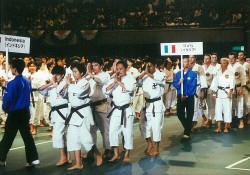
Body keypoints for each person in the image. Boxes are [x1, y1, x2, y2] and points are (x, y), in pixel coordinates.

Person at [0, 58, 39, 167]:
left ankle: (1, 159)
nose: (11, 69)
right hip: (25, 112)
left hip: (14, 113)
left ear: (15, 69)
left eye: (11, 67)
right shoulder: (27, 81)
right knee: (27, 136)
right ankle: (33, 159)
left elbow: (7, 99)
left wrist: (5, 109)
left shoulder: (12, 83)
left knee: (8, 137)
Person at [63, 62, 102, 170]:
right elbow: (65, 95)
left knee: (86, 139)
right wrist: (67, 85)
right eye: (72, 72)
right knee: (72, 138)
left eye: (75, 72)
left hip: (83, 114)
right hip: (73, 114)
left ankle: (98, 154)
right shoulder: (73, 84)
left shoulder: (85, 83)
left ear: (82, 73)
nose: (73, 74)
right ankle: (78, 163)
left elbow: (80, 93)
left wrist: (70, 84)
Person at [38, 66, 71, 166]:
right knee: (63, 135)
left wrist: (55, 85)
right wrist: (51, 83)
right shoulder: (52, 86)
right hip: (56, 112)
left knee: (58, 135)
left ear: (62, 75)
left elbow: (63, 94)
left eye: (57, 75)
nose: (55, 77)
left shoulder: (66, 84)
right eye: (54, 75)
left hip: (64, 111)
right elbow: (40, 90)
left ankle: (64, 157)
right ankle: (67, 157)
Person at [104, 60, 136, 162]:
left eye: (121, 69)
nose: (119, 71)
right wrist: (114, 82)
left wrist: (118, 82)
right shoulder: (113, 79)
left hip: (127, 110)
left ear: (126, 68)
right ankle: (116, 154)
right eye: (117, 69)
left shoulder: (131, 79)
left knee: (127, 133)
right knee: (112, 132)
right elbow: (105, 91)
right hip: (116, 110)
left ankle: (127, 154)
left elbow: (130, 89)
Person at [137, 58, 165, 156]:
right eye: (146, 66)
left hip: (156, 104)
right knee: (143, 126)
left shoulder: (160, 74)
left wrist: (148, 73)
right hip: (146, 104)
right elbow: (137, 83)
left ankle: (156, 148)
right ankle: (149, 143)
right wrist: (144, 72)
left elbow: (158, 79)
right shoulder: (144, 76)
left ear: (155, 66)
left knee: (156, 127)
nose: (148, 68)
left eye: (150, 66)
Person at [173, 58, 197, 139]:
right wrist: (179, 82)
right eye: (183, 62)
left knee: (190, 114)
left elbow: (193, 86)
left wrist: (186, 95)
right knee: (179, 114)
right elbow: (175, 85)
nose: (185, 63)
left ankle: (187, 132)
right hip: (180, 96)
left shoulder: (193, 74)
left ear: (189, 63)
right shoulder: (179, 74)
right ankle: (188, 127)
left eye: (186, 62)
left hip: (189, 96)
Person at [210, 58, 234, 133]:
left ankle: (226, 127)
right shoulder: (218, 72)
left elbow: (232, 84)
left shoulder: (230, 73)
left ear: (227, 64)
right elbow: (214, 83)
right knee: (218, 110)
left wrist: (230, 92)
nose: (222, 64)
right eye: (221, 63)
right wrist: (214, 93)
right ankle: (219, 127)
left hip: (227, 92)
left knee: (227, 110)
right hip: (219, 92)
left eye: (224, 63)